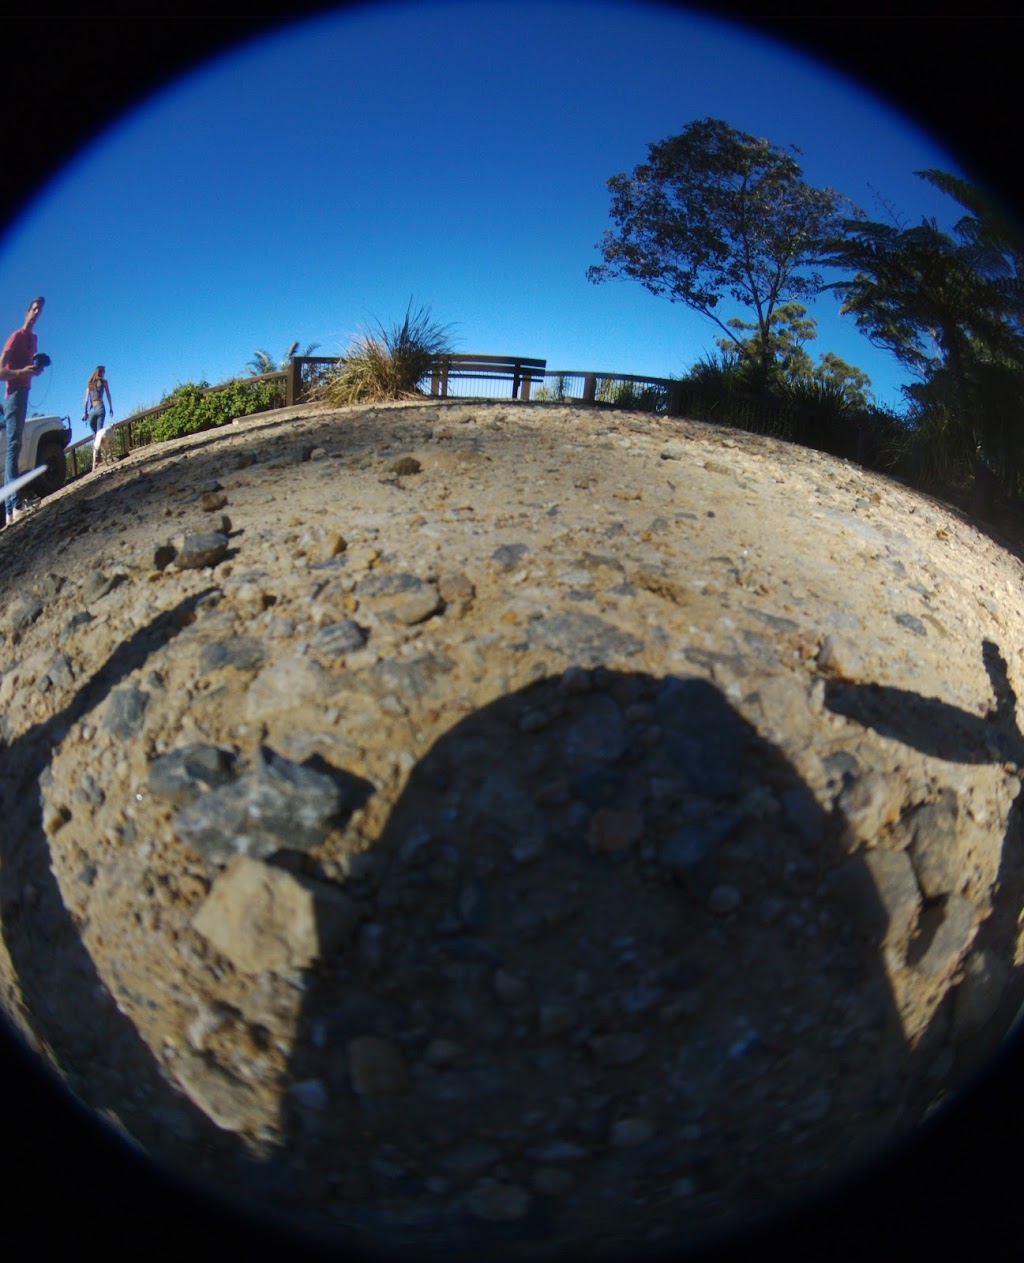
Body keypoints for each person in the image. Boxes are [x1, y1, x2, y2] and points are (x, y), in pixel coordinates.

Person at [1, 296, 46, 524]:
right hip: (13, 395)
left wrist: (35, 371)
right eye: (34, 308)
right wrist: (21, 372)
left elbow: (28, 368)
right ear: (27, 312)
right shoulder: (15, 337)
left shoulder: (33, 339)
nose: (37, 312)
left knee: (15, 447)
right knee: (14, 447)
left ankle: (11, 511)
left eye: (40, 310)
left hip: (24, 392)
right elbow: (1, 372)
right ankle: (15, 505)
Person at [83, 364, 113, 435]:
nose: (104, 373)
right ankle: (101, 444)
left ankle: (96, 445)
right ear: (100, 372)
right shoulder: (103, 382)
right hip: (100, 407)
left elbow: (86, 400)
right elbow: (108, 395)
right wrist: (111, 408)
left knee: (95, 435)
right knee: (99, 433)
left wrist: (85, 412)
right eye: (103, 372)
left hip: (92, 410)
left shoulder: (90, 383)